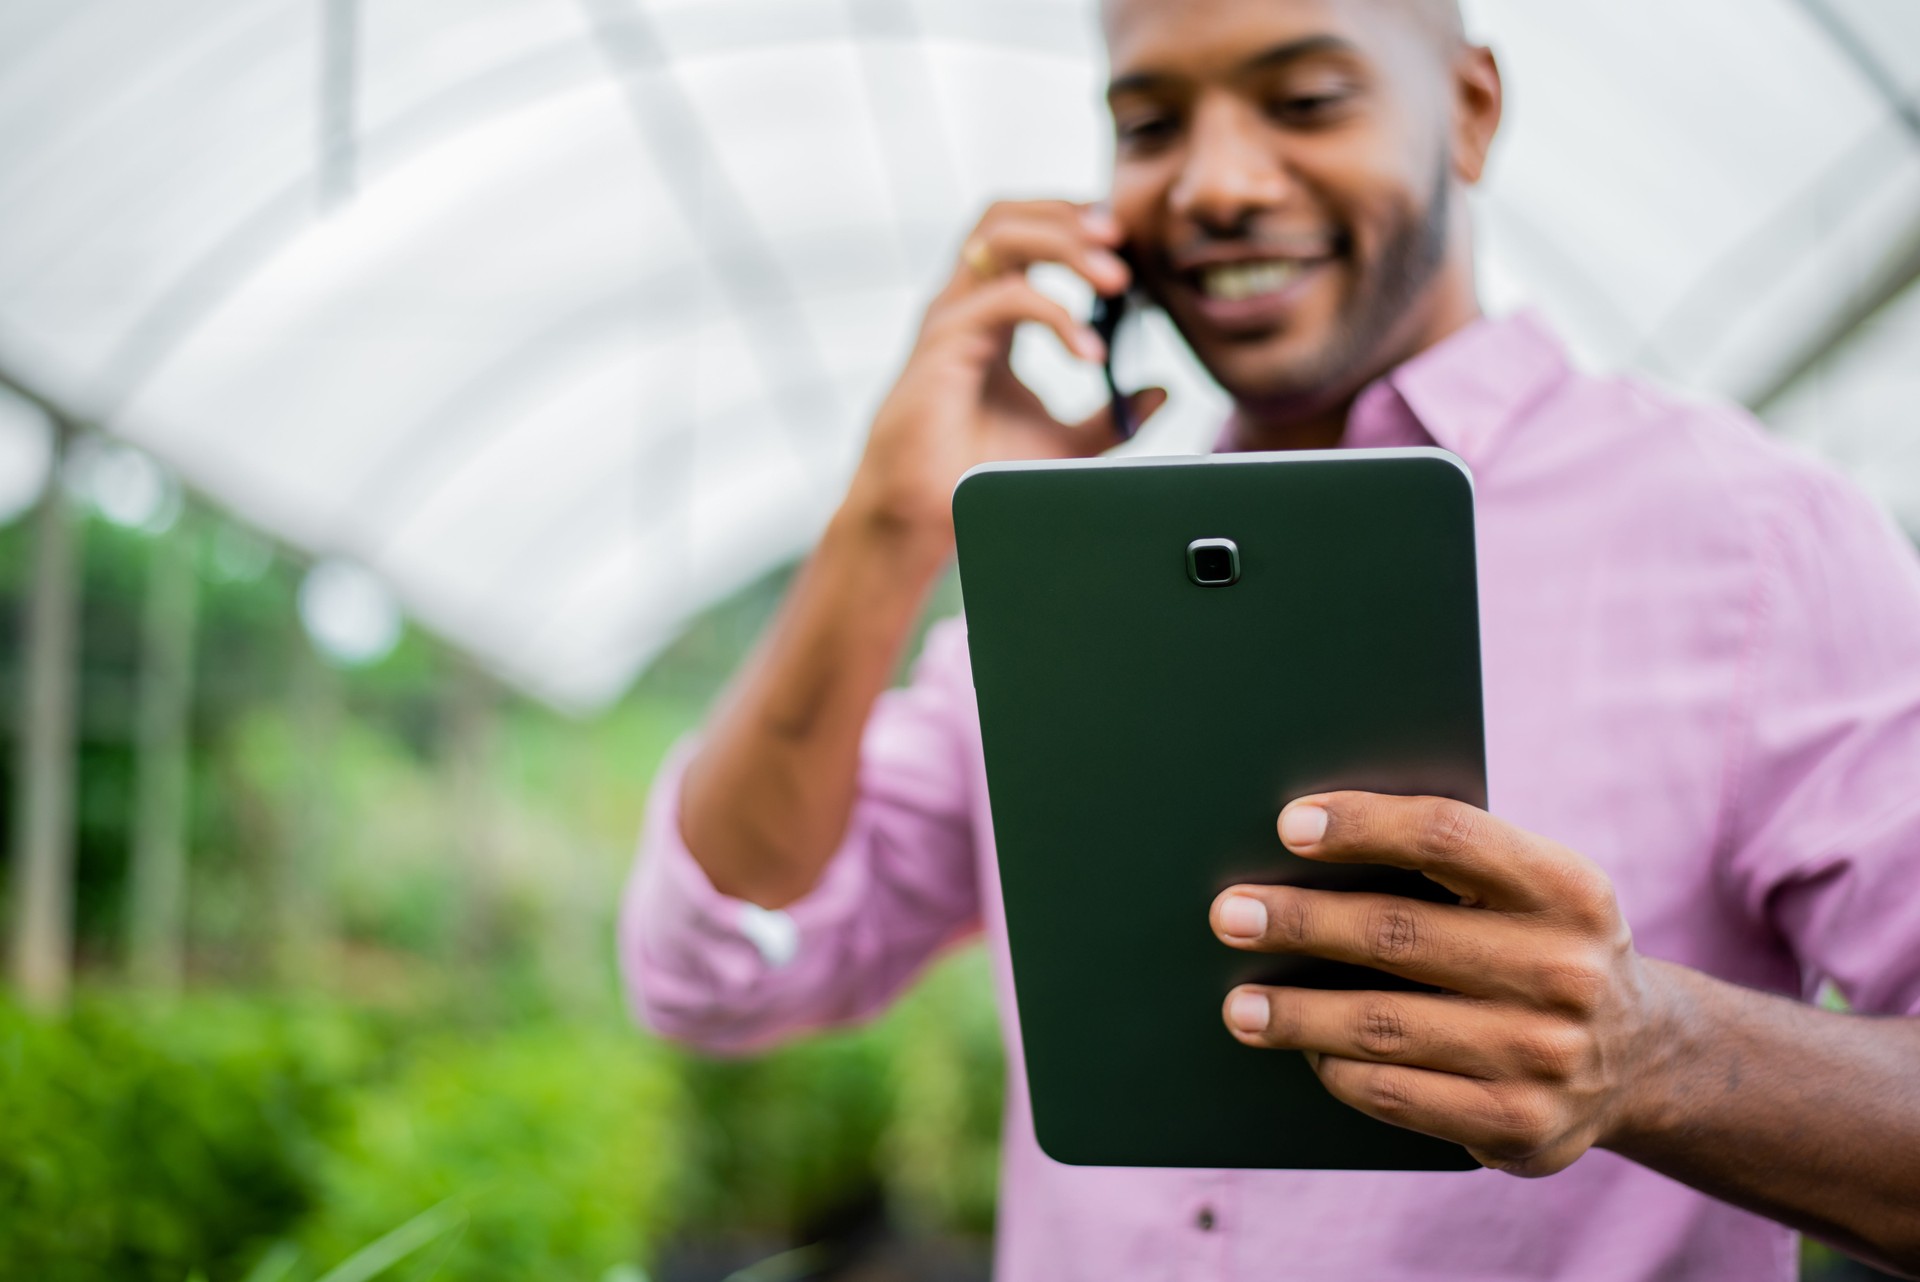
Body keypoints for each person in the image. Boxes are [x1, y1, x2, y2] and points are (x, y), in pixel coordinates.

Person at [619, 0, 1920, 1276]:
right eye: (1148, 124)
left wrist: (1654, 1049)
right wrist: (888, 527)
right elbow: (724, 969)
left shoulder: (1760, 541)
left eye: (1306, 101)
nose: (1218, 184)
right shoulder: (1066, 586)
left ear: (1468, 112)